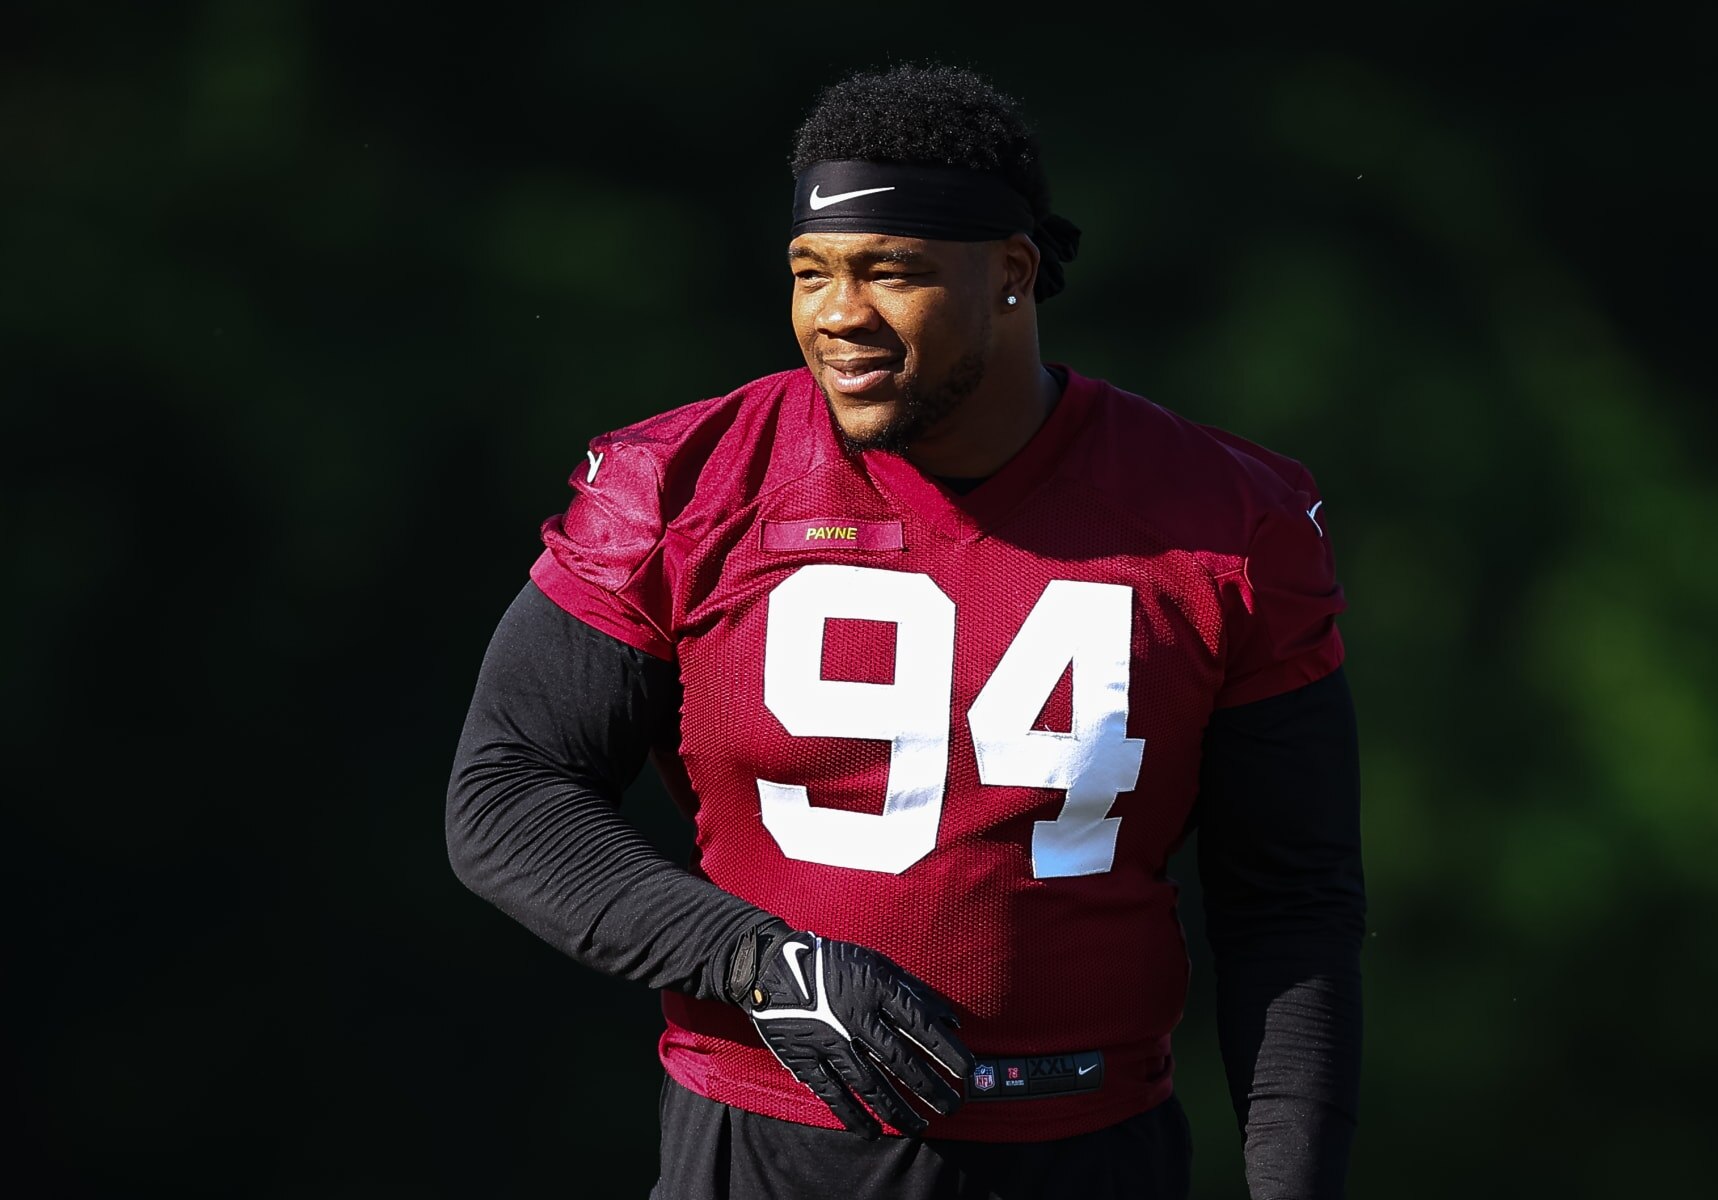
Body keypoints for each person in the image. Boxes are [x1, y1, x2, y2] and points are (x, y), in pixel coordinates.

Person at [446, 61, 1366, 1200]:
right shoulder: (687, 486)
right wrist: (752, 958)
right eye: (812, 271)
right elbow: (507, 791)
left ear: (1012, 274)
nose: (840, 314)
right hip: (767, 1148)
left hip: (1084, 1153)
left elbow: (1291, 902)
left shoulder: (1224, 522)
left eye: (891, 271)